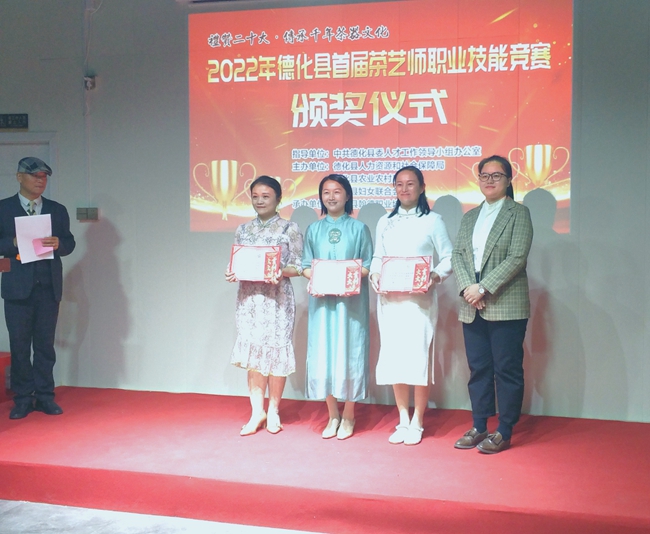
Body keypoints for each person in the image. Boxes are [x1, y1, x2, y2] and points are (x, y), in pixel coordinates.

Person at [451, 155, 533, 454]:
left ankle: (505, 430)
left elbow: (517, 257)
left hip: (504, 301)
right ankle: (479, 425)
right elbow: (458, 255)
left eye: (496, 175)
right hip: (471, 302)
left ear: (508, 180)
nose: (489, 180)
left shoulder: (518, 213)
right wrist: (467, 288)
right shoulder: (470, 216)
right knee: (478, 369)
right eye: (484, 175)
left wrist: (483, 288)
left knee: (507, 369)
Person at [369, 166, 453, 446]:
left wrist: (435, 276)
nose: (404, 189)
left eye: (410, 184)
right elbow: (378, 257)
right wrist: (375, 275)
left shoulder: (433, 220)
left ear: (421, 187)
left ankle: (418, 420)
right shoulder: (385, 221)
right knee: (395, 358)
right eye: (399, 184)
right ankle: (402, 419)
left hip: (419, 302)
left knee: (418, 359)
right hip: (390, 301)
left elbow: (449, 257)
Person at [225, 176, 303, 435]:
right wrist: (232, 271)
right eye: (255, 196)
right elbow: (238, 260)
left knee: (276, 353)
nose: (260, 201)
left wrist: (280, 271)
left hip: (277, 299)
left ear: (278, 199)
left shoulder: (289, 228)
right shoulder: (243, 229)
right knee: (254, 354)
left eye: (266, 196)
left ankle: (274, 410)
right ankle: (256, 411)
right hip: (250, 299)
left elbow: (299, 266)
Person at [0, 157, 76, 419]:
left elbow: (69, 243)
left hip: (48, 287)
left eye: (44, 177)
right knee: (20, 346)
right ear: (19, 177)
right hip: (17, 288)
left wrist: (59, 244)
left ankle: (45, 396)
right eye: (34, 176)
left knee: (45, 346)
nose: (40, 181)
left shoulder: (57, 210)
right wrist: (13, 242)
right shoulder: (3, 208)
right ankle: (23, 398)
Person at [302, 174, 373, 440]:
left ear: (347, 195)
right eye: (326, 192)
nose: (331, 197)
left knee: (349, 352)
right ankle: (332, 414)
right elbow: (305, 266)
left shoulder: (360, 229)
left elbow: (368, 265)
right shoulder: (313, 230)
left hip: (350, 304)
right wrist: (320, 277)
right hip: (322, 303)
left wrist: (346, 276)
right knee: (324, 354)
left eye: (337, 191)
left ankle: (349, 414)